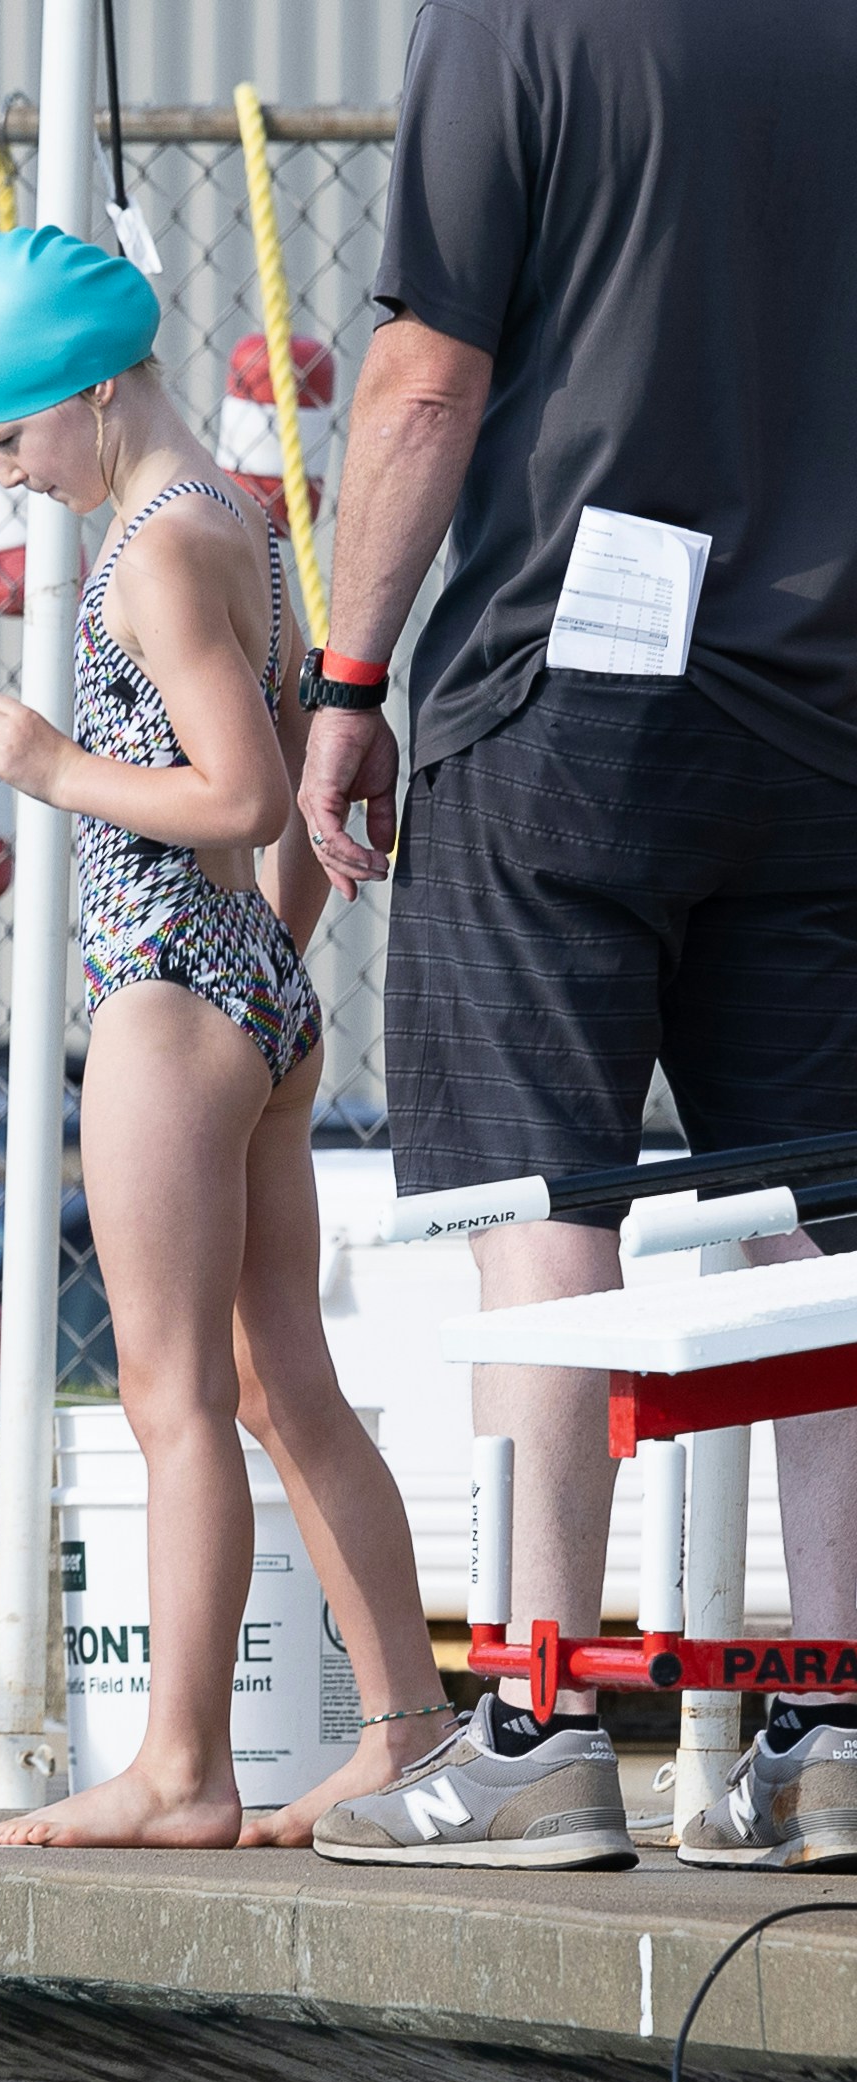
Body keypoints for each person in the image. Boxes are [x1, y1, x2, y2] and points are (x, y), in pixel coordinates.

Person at [298, 1, 857, 1871]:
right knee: (826, 1208)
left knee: (536, 1198)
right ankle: (827, 1724)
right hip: (826, 705)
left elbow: (420, 382)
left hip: (565, 697)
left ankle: (536, 1721)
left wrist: (345, 675)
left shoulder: (519, 25)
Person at [0, 230, 449, 1857]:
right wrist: (262, 979)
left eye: (5, 440)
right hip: (235, 979)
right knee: (273, 1377)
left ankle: (178, 1765)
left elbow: (229, 790)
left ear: (84, 392)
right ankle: (405, 1729)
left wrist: (46, 767)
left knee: (169, 1398)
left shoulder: (151, 550)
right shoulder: (237, 527)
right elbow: (297, 798)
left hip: (161, 985)